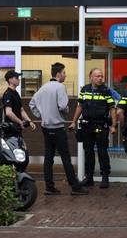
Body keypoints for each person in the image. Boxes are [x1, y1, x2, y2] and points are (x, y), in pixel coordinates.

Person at [29, 62, 87, 195]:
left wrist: (41, 115)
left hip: (46, 127)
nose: (65, 75)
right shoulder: (60, 87)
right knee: (65, 157)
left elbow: (32, 103)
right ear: (58, 74)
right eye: (64, 73)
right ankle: (75, 186)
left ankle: (49, 187)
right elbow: (62, 106)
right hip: (58, 127)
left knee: (48, 157)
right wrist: (65, 111)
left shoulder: (43, 87)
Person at [71, 67, 117, 189]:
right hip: (87, 125)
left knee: (102, 152)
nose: (100, 78)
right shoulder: (85, 90)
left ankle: (105, 177)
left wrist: (113, 125)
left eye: (101, 76)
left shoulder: (106, 91)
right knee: (88, 152)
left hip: (101, 124)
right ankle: (89, 177)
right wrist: (73, 122)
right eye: (97, 76)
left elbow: (112, 108)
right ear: (91, 77)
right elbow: (80, 106)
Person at [1, 69, 34, 135]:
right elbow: (8, 113)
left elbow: (21, 110)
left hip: (17, 129)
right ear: (10, 80)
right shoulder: (8, 94)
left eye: (18, 78)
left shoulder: (16, 93)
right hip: (10, 130)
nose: (18, 79)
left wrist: (29, 121)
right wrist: (20, 122)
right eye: (16, 78)